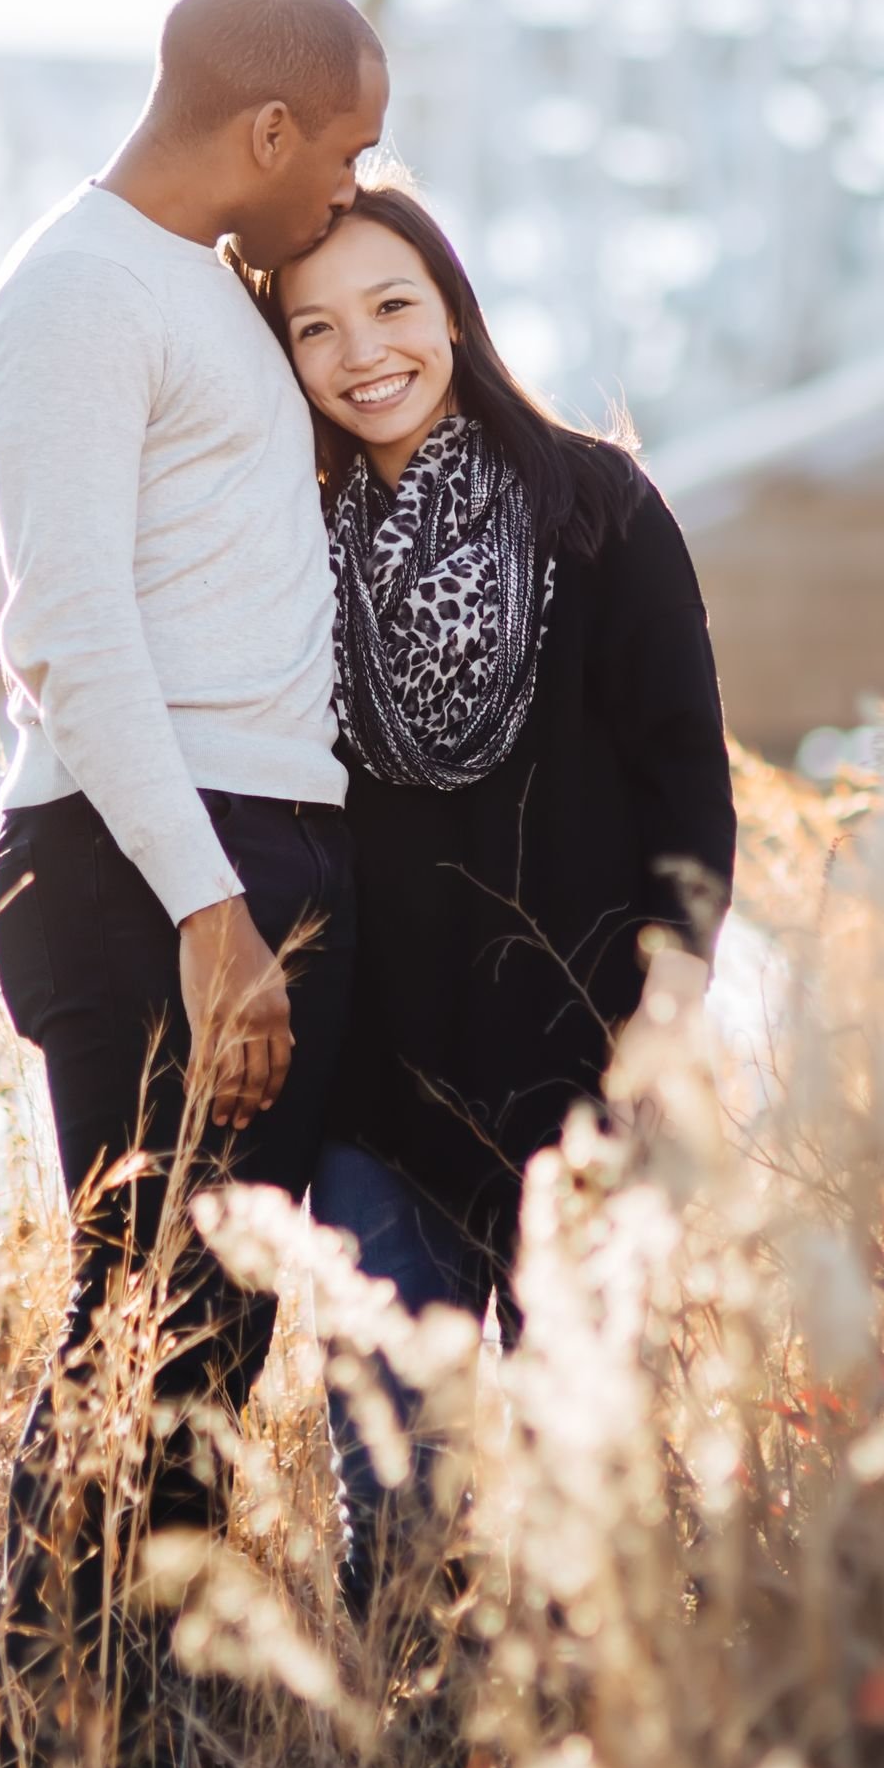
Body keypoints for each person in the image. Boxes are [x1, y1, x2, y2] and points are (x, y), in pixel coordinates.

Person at [0, 0, 388, 1623]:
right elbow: (67, 626)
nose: (354, 188)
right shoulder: (79, 292)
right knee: (140, 1332)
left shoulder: (206, 283)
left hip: (245, 842)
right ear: (267, 127)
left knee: (208, 1350)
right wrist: (212, 914)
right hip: (152, 860)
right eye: (347, 151)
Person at [267, 180, 735, 1592]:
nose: (364, 353)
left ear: (455, 309)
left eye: (394, 305)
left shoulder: (596, 505)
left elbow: (687, 787)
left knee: (582, 1488)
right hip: (376, 1102)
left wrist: (662, 1024)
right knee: (396, 1505)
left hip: (582, 1078)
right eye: (315, 328)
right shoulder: (285, 546)